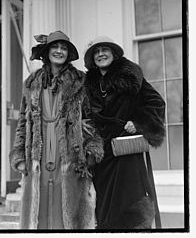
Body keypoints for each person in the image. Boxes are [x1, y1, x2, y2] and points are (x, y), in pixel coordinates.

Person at [9, 31, 104, 230]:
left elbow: (92, 119)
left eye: (63, 48)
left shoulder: (81, 82)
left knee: (68, 215)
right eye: (55, 47)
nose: (59, 51)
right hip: (38, 156)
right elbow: (23, 124)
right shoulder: (32, 83)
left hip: (70, 157)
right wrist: (18, 156)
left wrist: (90, 152)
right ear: (47, 51)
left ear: (68, 54)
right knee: (39, 213)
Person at [84, 36, 166, 229]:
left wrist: (138, 123)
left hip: (126, 151)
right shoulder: (89, 84)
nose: (101, 54)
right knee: (105, 207)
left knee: (130, 202)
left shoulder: (130, 76)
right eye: (96, 51)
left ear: (114, 53)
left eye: (105, 50)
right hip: (103, 155)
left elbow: (157, 103)